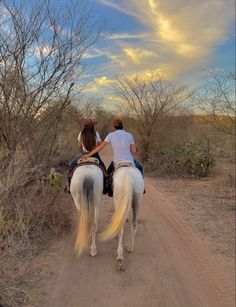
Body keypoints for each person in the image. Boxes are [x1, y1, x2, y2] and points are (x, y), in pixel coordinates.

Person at [83, 118, 144, 195]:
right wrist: (134, 149)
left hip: (117, 161)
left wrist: (89, 154)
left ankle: (108, 189)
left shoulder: (110, 135)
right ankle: (142, 187)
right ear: (122, 126)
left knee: (107, 174)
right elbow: (134, 151)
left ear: (113, 127)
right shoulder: (129, 135)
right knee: (141, 167)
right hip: (130, 161)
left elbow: (100, 147)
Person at [65, 119, 106, 193]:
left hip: (84, 154)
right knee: (103, 168)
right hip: (95, 155)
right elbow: (100, 144)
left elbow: (79, 145)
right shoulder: (96, 133)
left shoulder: (81, 133)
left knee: (71, 167)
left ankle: (69, 185)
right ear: (92, 126)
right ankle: (105, 186)